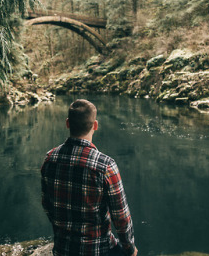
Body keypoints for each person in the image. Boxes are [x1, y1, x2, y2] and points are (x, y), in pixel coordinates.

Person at [41, 99, 138, 256]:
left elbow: (47, 205)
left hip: (63, 248)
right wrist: (130, 248)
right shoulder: (105, 165)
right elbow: (121, 217)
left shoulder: (50, 159)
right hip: (98, 250)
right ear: (95, 125)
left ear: (67, 123)